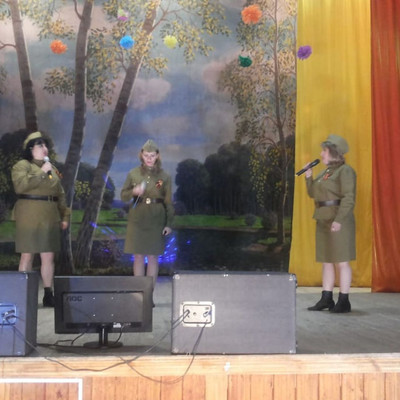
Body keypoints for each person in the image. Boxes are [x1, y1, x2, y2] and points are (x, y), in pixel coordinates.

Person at [11, 131, 70, 307]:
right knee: (27, 255)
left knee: (48, 256)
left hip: (49, 215)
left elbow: (60, 194)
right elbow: (21, 186)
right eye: (40, 145)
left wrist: (65, 215)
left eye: (45, 145)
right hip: (28, 214)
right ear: (30, 149)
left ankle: (48, 293)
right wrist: (42, 173)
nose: (44, 148)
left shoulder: (52, 168)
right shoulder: (22, 166)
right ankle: (23, 293)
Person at [304, 134, 356, 313]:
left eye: (324, 151)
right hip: (323, 218)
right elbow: (313, 194)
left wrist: (339, 220)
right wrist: (309, 177)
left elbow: (349, 198)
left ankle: (344, 300)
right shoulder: (325, 172)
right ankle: (326, 298)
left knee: (342, 261)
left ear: (334, 152)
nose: (321, 154)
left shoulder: (345, 171)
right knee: (326, 260)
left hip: (338, 219)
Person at [120, 139, 174, 296]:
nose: (149, 158)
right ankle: (139, 294)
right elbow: (123, 196)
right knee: (138, 256)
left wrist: (169, 223)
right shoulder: (133, 174)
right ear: (141, 155)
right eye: (146, 155)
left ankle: (149, 295)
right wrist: (134, 191)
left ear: (157, 156)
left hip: (156, 218)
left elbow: (168, 202)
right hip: (138, 217)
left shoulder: (164, 176)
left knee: (153, 257)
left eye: (152, 155)